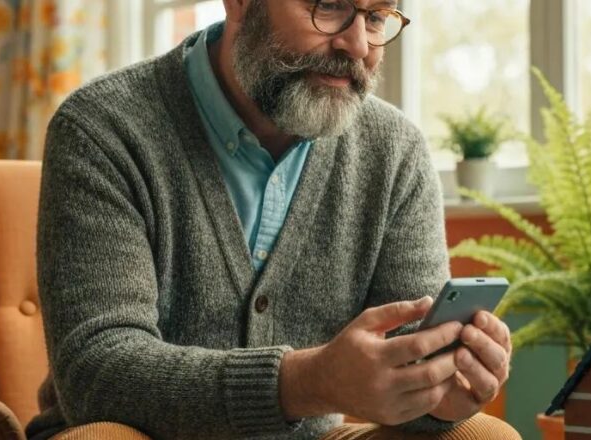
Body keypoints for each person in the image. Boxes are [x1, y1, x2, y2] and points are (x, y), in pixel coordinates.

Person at [26, 0, 520, 439]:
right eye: (329, 7)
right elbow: (97, 373)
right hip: (131, 433)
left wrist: (438, 395)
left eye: (375, 17)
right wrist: (306, 381)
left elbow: (399, 362)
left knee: (482, 436)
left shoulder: (395, 152)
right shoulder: (102, 129)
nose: (355, 45)